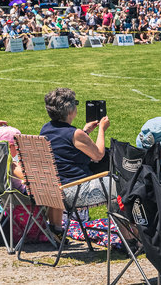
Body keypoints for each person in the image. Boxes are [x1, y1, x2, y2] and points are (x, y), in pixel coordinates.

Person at [39, 87, 110, 236]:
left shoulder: (45, 129)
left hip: (52, 190)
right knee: (121, 184)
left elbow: (65, 146)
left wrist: (85, 132)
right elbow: (98, 155)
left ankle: (56, 229)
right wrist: (102, 129)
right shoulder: (74, 134)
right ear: (70, 110)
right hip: (75, 192)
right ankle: (130, 237)